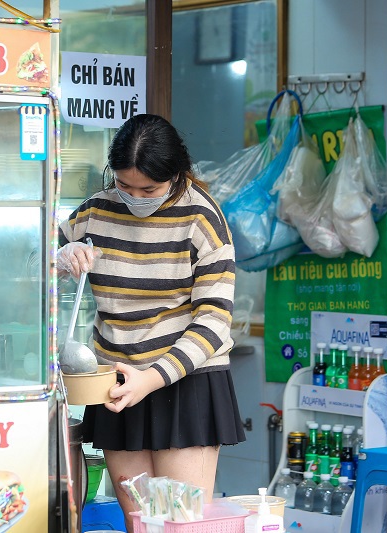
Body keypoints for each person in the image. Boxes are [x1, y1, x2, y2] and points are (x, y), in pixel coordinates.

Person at [56, 113, 246, 530]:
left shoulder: (202, 219)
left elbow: (214, 323)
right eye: (125, 185)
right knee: (139, 522)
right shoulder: (94, 212)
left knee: (180, 522)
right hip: (116, 383)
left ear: (176, 175)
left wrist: (151, 378)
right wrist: (60, 257)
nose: (136, 197)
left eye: (150, 189)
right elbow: (33, 265)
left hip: (185, 381)